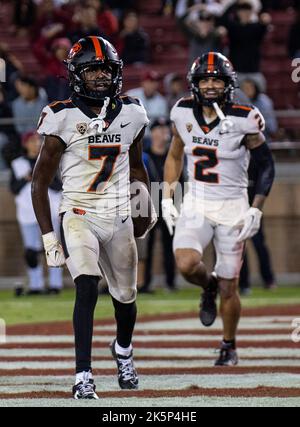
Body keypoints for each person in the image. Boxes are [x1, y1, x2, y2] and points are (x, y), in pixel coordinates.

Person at [32, 36, 154, 399]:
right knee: (86, 286)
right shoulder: (61, 116)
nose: (101, 76)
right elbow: (39, 183)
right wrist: (49, 238)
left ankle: (123, 351)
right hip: (79, 214)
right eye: (93, 70)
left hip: (118, 216)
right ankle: (82, 375)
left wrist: (145, 207)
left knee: (126, 298)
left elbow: (137, 168)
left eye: (106, 69)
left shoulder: (133, 113)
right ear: (76, 75)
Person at [162, 52, 275, 366]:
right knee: (186, 263)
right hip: (196, 202)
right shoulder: (181, 111)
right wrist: (167, 197)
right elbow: (174, 155)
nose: (210, 85)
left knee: (230, 285)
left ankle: (229, 344)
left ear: (228, 83)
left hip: (232, 206)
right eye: (205, 79)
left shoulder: (245, 116)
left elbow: (266, 165)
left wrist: (256, 208)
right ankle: (206, 285)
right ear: (195, 83)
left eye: (216, 79)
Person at [10, 131, 63, 296]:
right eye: (32, 141)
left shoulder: (50, 161)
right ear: (25, 144)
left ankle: (55, 284)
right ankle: (36, 284)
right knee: (31, 251)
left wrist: (42, 176)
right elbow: (14, 188)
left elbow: (57, 186)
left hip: (49, 210)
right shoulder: (17, 163)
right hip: (27, 211)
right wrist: (27, 177)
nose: (37, 143)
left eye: (38, 140)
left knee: (52, 247)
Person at [140, 118, 177, 294]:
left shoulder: (173, 154)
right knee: (147, 246)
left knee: (170, 245)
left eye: (165, 129)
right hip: (149, 204)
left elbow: (180, 180)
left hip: (170, 202)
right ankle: (145, 282)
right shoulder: (144, 155)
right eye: (159, 129)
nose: (163, 133)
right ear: (153, 133)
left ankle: (171, 282)